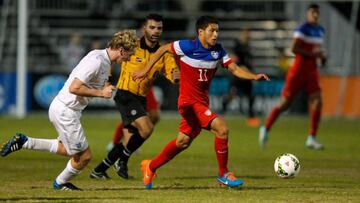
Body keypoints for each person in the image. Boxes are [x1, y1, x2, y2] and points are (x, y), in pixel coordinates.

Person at [132, 15, 269, 189]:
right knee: (222, 129)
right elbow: (162, 49)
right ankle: (223, 174)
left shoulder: (218, 51)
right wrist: (145, 69)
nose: (215, 35)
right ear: (201, 32)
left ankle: (149, 167)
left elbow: (234, 69)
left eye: (217, 31)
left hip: (202, 103)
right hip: (188, 103)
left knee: (183, 142)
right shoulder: (187, 46)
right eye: (212, 31)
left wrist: (254, 76)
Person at [0, 30, 138, 190]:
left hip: (64, 109)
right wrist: (101, 93)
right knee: (85, 157)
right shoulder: (96, 61)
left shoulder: (104, 59)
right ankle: (60, 183)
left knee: (68, 150)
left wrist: (106, 85)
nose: (130, 57)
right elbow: (74, 87)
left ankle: (24, 141)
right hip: (66, 111)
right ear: (121, 50)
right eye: (129, 53)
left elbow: (100, 77)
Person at [90, 14, 180, 180]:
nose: (156, 31)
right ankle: (122, 160)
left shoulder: (165, 54)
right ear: (144, 28)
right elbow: (110, 58)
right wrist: (108, 81)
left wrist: (176, 76)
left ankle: (99, 170)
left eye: (159, 28)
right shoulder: (133, 46)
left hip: (141, 98)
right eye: (152, 27)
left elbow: (172, 74)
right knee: (147, 128)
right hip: (125, 93)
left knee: (129, 140)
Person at [259, 4, 326, 150]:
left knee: (318, 101)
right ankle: (266, 128)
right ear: (308, 13)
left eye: (317, 12)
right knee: (285, 103)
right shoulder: (303, 29)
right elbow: (294, 48)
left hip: (312, 71)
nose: (315, 15)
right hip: (298, 71)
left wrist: (321, 57)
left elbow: (316, 50)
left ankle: (312, 138)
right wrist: (313, 55)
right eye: (313, 12)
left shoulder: (320, 30)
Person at [222, 28, 260, 127]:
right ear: (243, 34)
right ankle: (222, 114)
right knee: (231, 94)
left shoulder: (248, 46)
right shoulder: (238, 45)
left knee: (251, 96)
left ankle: (251, 118)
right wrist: (241, 67)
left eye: (249, 34)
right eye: (247, 33)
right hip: (238, 74)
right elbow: (233, 57)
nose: (248, 35)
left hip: (247, 75)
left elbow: (249, 61)